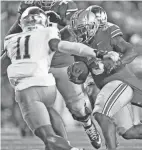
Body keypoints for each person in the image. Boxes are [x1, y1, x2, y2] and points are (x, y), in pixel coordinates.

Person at [5, 1, 102, 149]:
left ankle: (88, 125)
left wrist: (61, 22)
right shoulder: (28, 5)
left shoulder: (67, 5)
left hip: (61, 60)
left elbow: (75, 30)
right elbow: (16, 32)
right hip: (37, 59)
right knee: (46, 107)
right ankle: (62, 144)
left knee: (76, 106)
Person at [67, 7, 142, 150]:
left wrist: (117, 62)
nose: (79, 34)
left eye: (82, 30)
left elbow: (131, 51)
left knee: (101, 113)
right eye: (76, 31)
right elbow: (85, 71)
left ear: (93, 26)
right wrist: (76, 74)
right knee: (128, 132)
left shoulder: (107, 32)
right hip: (107, 86)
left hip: (120, 82)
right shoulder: (79, 47)